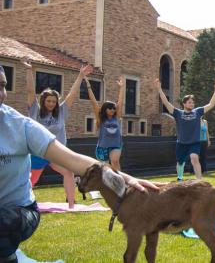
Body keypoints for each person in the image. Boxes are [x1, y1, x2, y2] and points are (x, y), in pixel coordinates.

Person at [0, 65, 161, 263]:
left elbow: (77, 161)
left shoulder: (21, 126)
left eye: (2, 85)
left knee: (66, 174)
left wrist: (126, 179)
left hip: (19, 210)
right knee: (33, 179)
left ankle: (70, 204)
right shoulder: (37, 111)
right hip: (37, 159)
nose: (1, 93)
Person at [22, 58, 93, 209]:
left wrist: (80, 76)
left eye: (54, 101)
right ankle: (23, 204)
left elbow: (71, 96)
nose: (51, 104)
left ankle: (72, 206)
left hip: (56, 152)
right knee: (30, 181)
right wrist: (28, 70)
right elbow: (29, 91)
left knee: (68, 172)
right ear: (43, 101)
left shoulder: (60, 112)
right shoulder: (34, 110)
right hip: (37, 152)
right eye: (48, 101)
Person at [154, 78, 215, 181]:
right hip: (181, 143)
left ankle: (199, 181)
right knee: (180, 162)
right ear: (184, 104)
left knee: (194, 158)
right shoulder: (178, 113)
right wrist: (159, 89)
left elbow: (211, 104)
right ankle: (180, 178)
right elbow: (166, 103)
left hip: (194, 142)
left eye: (192, 103)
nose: (192, 104)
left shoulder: (198, 112)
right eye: (190, 102)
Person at [85, 76, 125, 171]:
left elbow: (120, 102)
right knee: (104, 169)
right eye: (110, 108)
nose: (112, 110)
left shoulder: (116, 117)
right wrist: (88, 85)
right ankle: (105, 184)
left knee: (115, 161)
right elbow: (94, 103)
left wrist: (122, 87)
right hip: (102, 148)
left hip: (116, 145)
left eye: (113, 108)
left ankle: (119, 182)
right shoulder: (101, 119)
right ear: (105, 109)